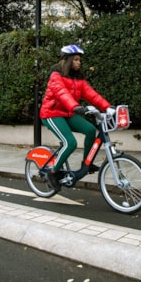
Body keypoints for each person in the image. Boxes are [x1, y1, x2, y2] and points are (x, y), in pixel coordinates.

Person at [39, 44, 115, 190]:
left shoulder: (79, 79)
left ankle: (87, 163)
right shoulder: (56, 76)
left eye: (79, 60)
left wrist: (108, 107)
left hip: (68, 113)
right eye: (76, 59)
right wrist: (75, 106)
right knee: (70, 143)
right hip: (51, 114)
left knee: (90, 130)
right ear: (67, 60)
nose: (79, 62)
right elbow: (62, 93)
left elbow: (92, 94)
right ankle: (52, 172)